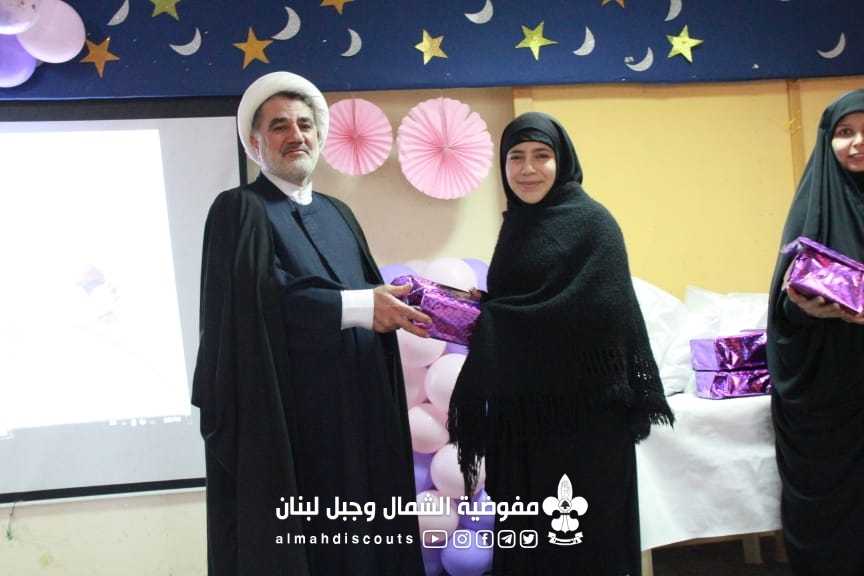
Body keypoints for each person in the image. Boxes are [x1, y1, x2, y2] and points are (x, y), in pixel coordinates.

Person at [191, 71, 428, 576]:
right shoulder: (241, 209)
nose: (295, 135)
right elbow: (260, 300)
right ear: (255, 143)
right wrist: (362, 307)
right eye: (279, 126)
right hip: (295, 433)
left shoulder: (339, 213)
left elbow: (368, 292)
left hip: (361, 424)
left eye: (304, 124)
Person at [448, 112, 674, 576]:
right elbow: (532, 301)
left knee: (583, 547)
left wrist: (497, 319)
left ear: (562, 160)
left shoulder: (593, 224)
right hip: (524, 416)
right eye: (515, 157)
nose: (528, 169)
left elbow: (597, 315)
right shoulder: (518, 224)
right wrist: (488, 306)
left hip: (585, 423)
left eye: (541, 156)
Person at [767, 89, 864, 576]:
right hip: (829, 389)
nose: (857, 142)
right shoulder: (813, 208)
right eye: (844, 132)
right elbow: (785, 309)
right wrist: (807, 309)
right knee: (832, 527)